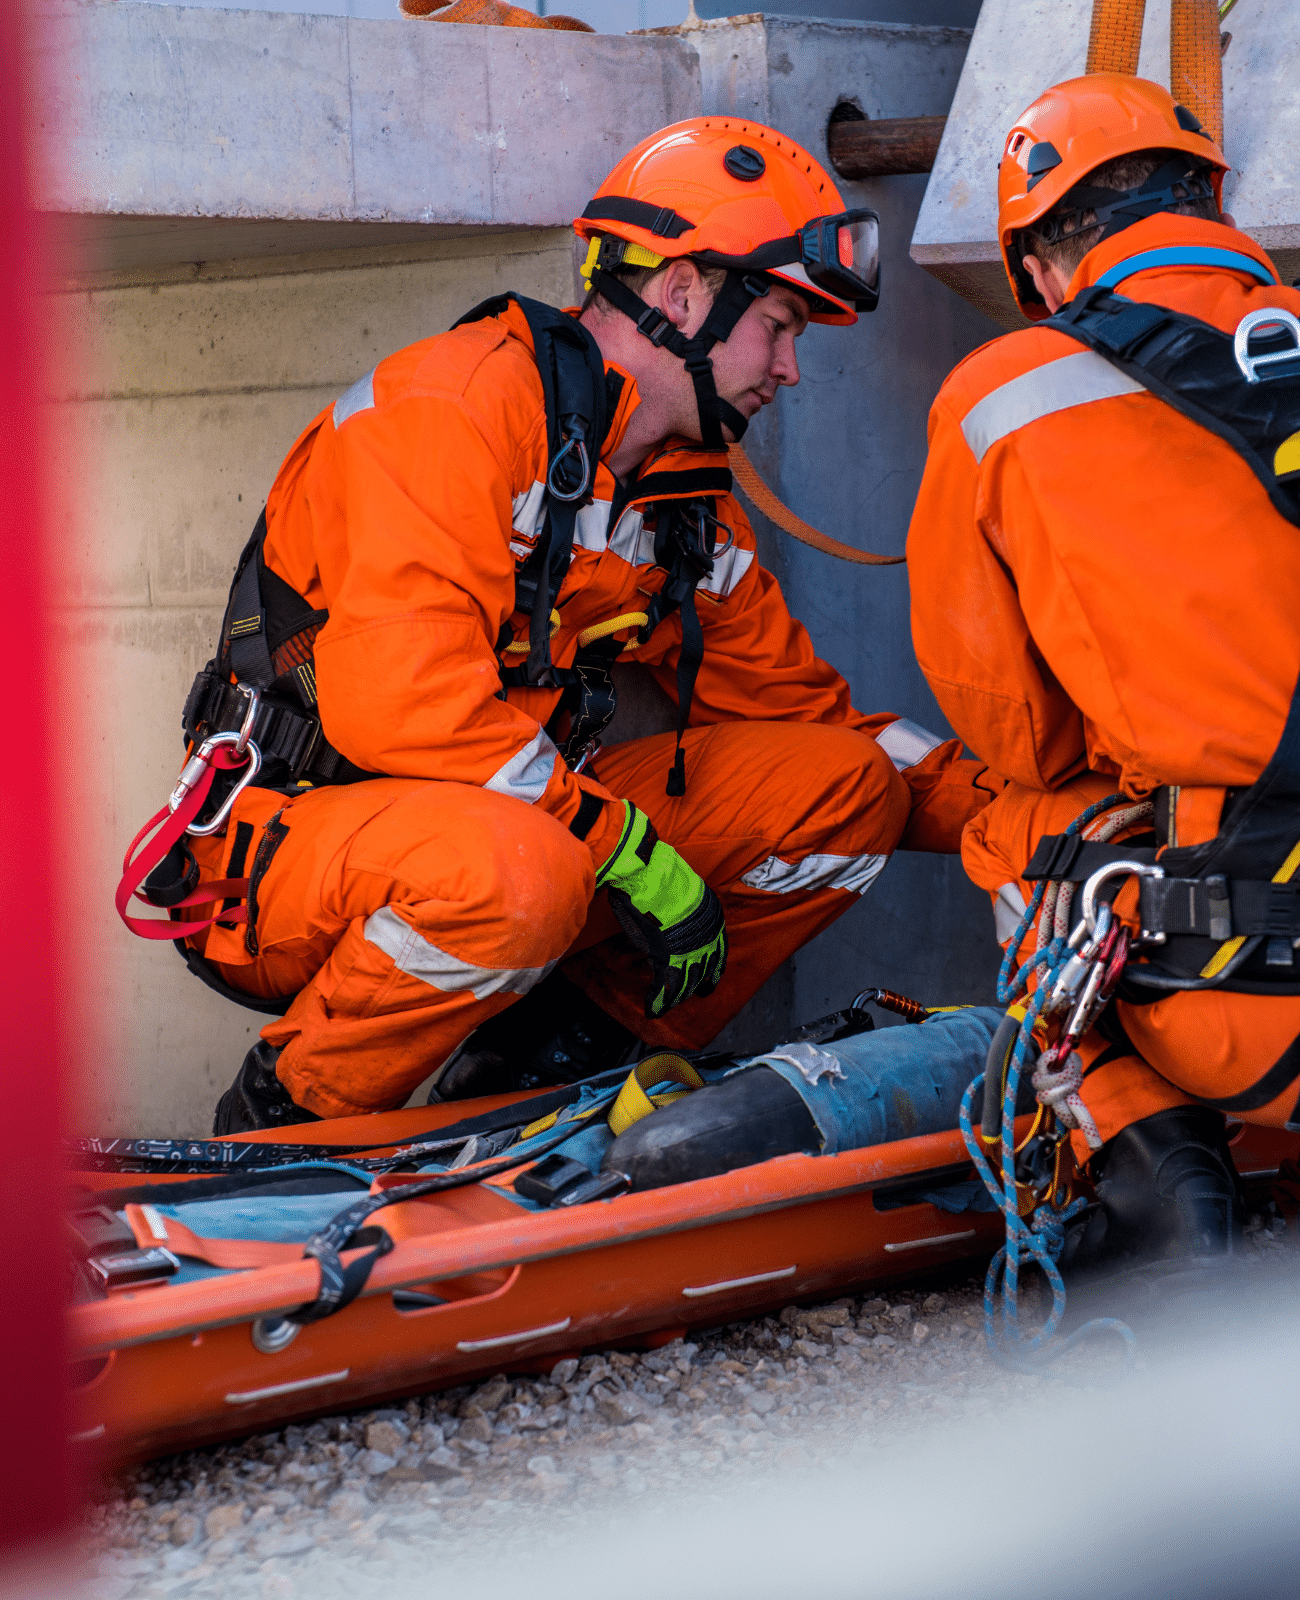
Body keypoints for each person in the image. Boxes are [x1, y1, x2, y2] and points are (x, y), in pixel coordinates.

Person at [152, 117, 995, 1133]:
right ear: (684, 292)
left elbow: (820, 721)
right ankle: (283, 1121)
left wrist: (1024, 820)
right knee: (523, 869)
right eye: (779, 323)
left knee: (841, 790)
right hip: (282, 856)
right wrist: (619, 844)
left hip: (514, 842)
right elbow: (402, 706)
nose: (790, 369)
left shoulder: (684, 502)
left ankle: (546, 1080)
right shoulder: (448, 410)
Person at [906, 72, 1300, 1271]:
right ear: (1214, 206)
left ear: (1034, 259)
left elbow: (1012, 726)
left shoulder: (1003, 398)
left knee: (1009, 821)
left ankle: (1150, 1157)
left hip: (1248, 1017)